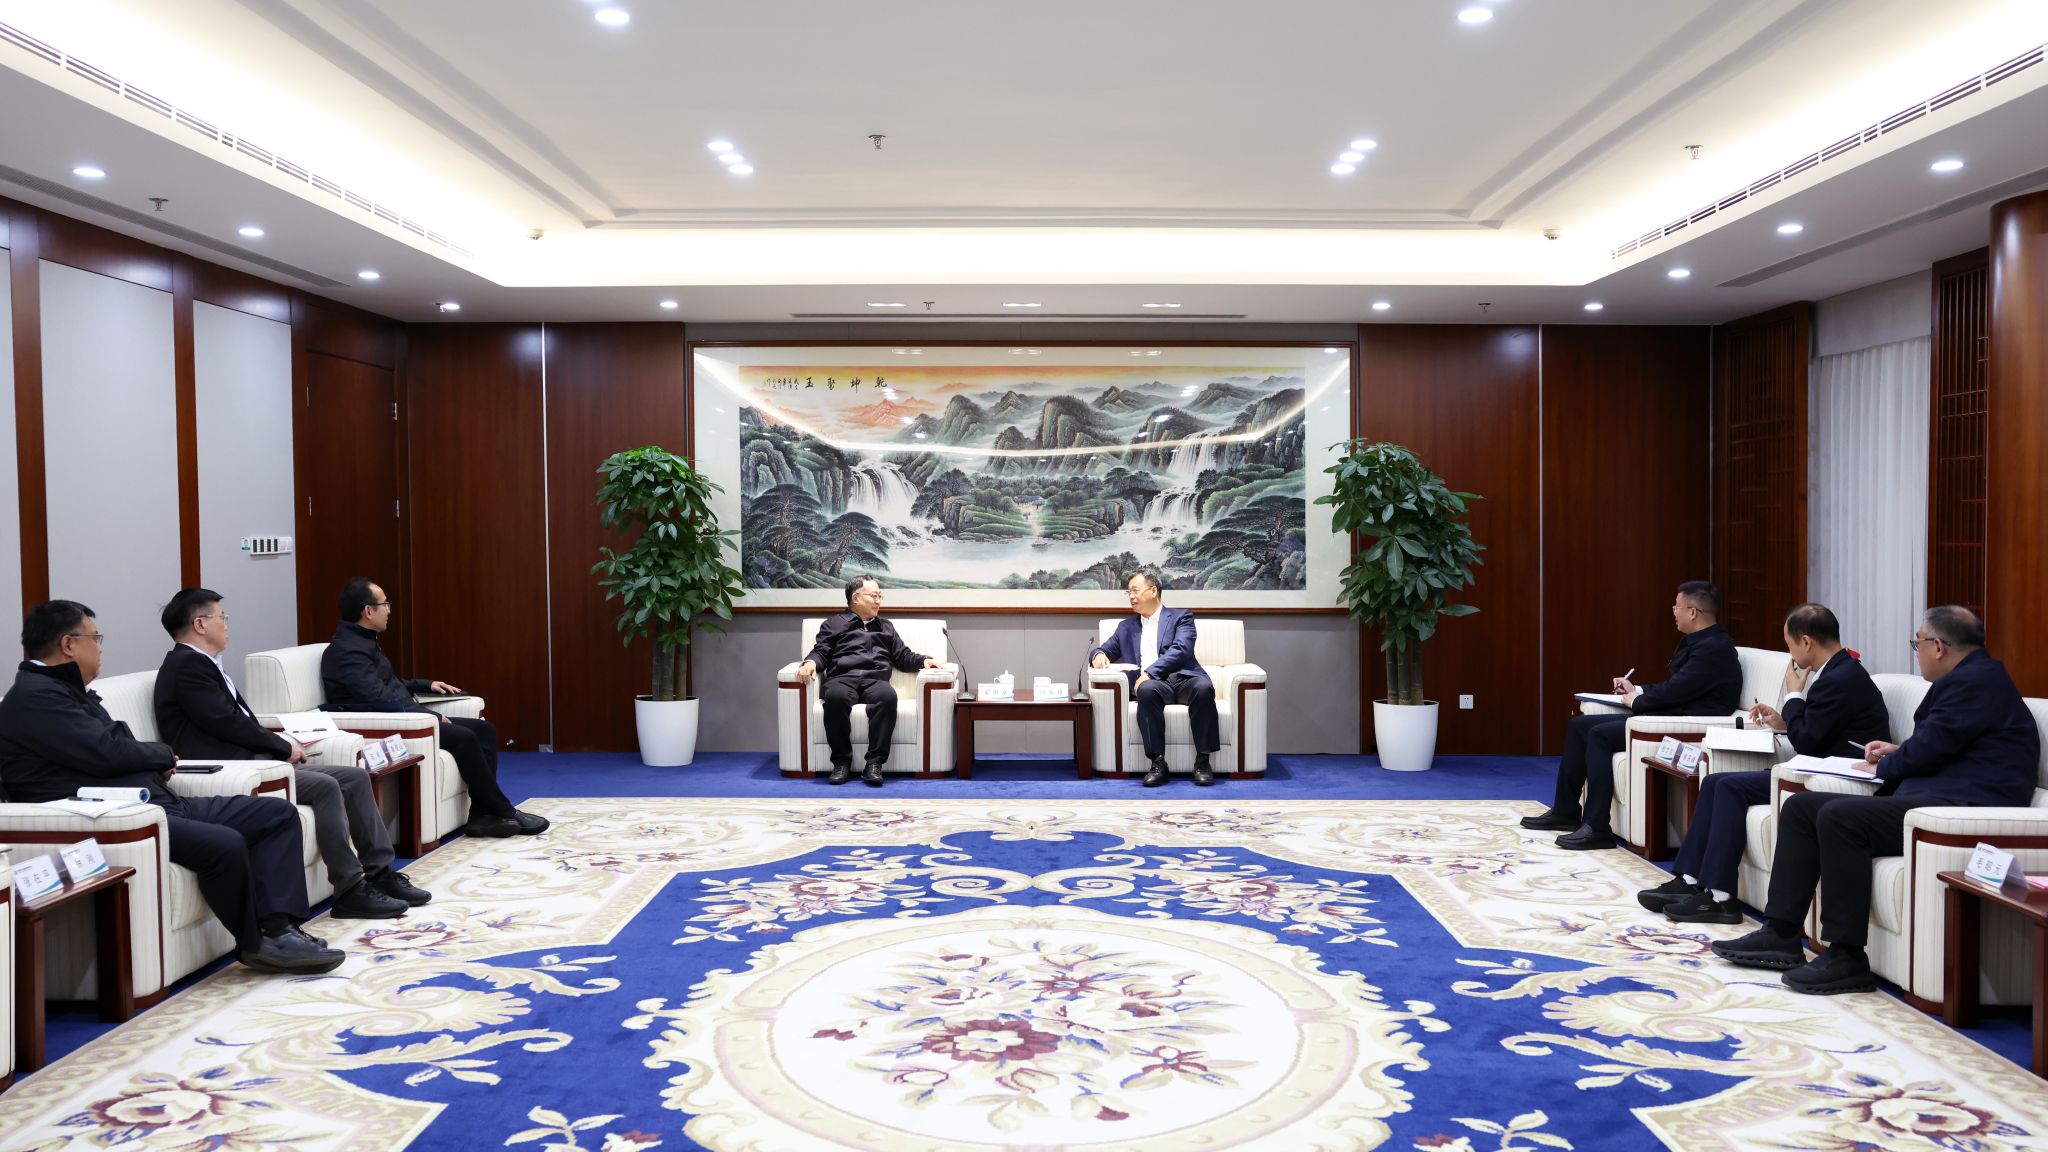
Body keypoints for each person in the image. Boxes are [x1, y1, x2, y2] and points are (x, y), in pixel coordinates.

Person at [0, 600, 342, 974]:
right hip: (120, 816)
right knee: (225, 844)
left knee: (276, 814)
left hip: (157, 801)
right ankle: (255, 944)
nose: (100, 648)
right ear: (68, 644)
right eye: (95, 638)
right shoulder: (35, 697)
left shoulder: (67, 690)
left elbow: (113, 748)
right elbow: (105, 752)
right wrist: (161, 754)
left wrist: (150, 761)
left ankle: (280, 929)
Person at [1712, 606, 2040, 995]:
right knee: (1801, 808)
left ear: (1938, 647)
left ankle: (1847, 956)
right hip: (1937, 795)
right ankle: (1780, 933)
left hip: (1960, 809)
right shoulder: (1971, 678)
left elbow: (1933, 748)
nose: (1916, 651)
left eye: (1917, 643)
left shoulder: (1974, 683)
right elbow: (1946, 745)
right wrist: (1897, 752)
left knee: (1839, 817)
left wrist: (1887, 764)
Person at [155, 588, 430, 919]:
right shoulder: (187, 667)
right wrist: (282, 747)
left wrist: (281, 742)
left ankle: (380, 873)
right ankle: (350, 890)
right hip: (232, 771)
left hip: (256, 763)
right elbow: (227, 725)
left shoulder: (203, 664)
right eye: (222, 617)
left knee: (355, 777)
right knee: (327, 786)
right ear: (200, 624)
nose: (227, 624)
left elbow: (238, 723)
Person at [1637, 603, 1890, 923]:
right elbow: (1818, 730)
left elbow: (1808, 740)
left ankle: (1720, 897)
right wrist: (1784, 722)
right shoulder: (1838, 671)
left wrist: (1794, 695)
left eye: (1789, 645)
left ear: (1806, 642)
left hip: (1839, 776)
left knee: (1730, 787)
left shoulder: (1841, 678)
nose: (1790, 654)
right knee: (1715, 781)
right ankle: (1689, 879)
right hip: (1816, 766)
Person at [1524, 580, 1741, 850]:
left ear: (1693, 612)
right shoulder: (1701, 642)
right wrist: (1637, 690)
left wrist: (1638, 700)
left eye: (1676, 607)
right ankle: (1566, 812)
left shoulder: (1714, 649)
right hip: (1667, 714)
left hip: (1683, 723)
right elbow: (1678, 685)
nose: (1674, 613)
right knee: (1579, 726)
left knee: (1600, 735)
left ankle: (1597, 827)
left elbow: (1678, 690)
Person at [321, 578, 546, 838]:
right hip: (393, 724)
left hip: (407, 716)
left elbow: (388, 683)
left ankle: (482, 815)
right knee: (465, 737)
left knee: (485, 730)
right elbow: (378, 699)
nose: (389, 610)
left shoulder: (362, 641)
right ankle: (504, 810)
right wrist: (432, 717)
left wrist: (426, 685)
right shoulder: (347, 651)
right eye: (385, 604)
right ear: (368, 611)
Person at [792, 576, 942, 787]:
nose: (878, 601)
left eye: (880, 596)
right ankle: (841, 763)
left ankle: (874, 764)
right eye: (874, 596)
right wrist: (809, 662)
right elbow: (821, 652)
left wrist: (923, 660)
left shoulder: (885, 627)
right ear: (856, 598)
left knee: (887, 697)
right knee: (835, 697)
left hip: (875, 679)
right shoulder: (833, 624)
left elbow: (902, 655)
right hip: (843, 678)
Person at [1090, 568, 1220, 788]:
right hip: (1154, 686)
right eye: (1129, 592)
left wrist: (1150, 672)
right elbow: (1104, 649)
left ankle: (1203, 761)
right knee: (1147, 690)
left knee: (1204, 687)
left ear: (1153, 590)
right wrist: (1098, 655)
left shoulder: (1181, 617)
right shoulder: (1126, 627)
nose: (1131, 597)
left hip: (1184, 678)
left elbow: (1181, 649)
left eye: (1135, 591)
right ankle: (1158, 763)